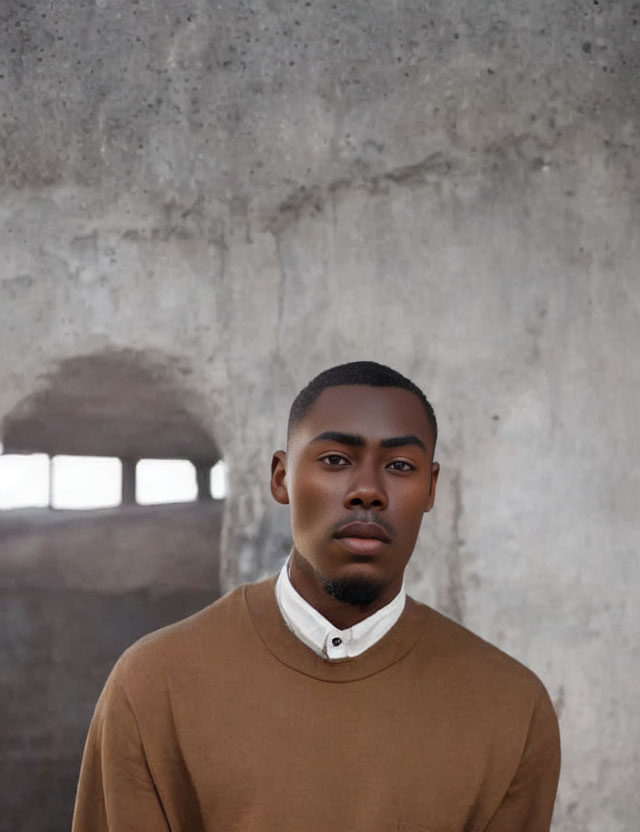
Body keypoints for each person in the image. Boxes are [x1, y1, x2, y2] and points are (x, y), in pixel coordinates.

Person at [72, 361, 561, 832]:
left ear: (430, 489)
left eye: (399, 465)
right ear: (281, 477)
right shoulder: (153, 686)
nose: (367, 490)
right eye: (335, 460)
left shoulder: (512, 709)